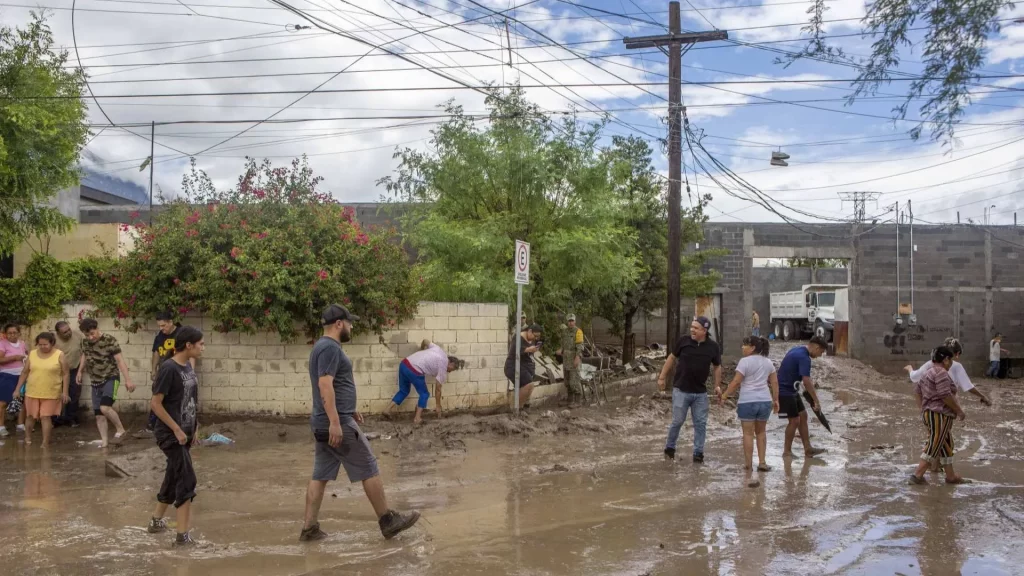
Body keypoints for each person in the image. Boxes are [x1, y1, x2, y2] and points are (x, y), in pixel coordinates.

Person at [300, 304, 420, 542]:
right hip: (335, 423)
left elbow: (332, 386)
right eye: (349, 322)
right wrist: (336, 420)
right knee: (368, 465)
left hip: (327, 419)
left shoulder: (320, 347)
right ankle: (387, 520)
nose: (351, 326)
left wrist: (347, 409)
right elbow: (325, 384)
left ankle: (309, 529)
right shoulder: (330, 348)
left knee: (320, 474)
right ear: (338, 324)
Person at [148, 326, 204, 546]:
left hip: (185, 433)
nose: (203, 348)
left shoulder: (188, 367)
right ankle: (182, 536)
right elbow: (155, 403)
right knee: (187, 479)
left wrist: (194, 427)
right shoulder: (169, 368)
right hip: (170, 434)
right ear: (188, 345)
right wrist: (177, 429)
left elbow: (191, 400)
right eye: (200, 344)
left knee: (173, 475)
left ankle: (156, 521)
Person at [658, 317, 722, 464]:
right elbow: (671, 358)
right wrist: (662, 377)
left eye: (696, 328)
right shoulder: (684, 341)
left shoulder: (713, 347)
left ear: (704, 331)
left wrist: (717, 385)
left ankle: (698, 454)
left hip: (700, 393)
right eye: (692, 327)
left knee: (700, 424)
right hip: (681, 390)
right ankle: (669, 449)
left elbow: (717, 366)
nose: (692, 330)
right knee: (677, 421)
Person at [719, 336, 778, 487]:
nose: (742, 348)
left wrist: (725, 395)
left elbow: (737, 382)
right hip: (765, 401)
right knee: (761, 432)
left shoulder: (744, 362)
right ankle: (763, 462)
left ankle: (748, 465)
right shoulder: (768, 362)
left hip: (748, 401)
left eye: (745, 345)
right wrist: (776, 400)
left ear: (752, 348)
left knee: (747, 434)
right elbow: (774, 382)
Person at [909, 346, 970, 485]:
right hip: (939, 415)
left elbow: (917, 391)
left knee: (946, 444)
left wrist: (923, 409)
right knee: (935, 443)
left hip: (932, 414)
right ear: (946, 359)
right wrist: (959, 410)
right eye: (951, 360)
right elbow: (945, 395)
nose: (951, 364)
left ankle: (951, 477)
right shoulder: (941, 372)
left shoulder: (927, 372)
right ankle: (917, 475)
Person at [78, 318, 135, 447]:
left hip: (111, 377)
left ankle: (120, 429)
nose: (91, 337)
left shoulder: (110, 340)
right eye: (87, 335)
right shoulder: (84, 342)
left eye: (93, 333)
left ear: (97, 329)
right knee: (98, 415)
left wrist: (128, 380)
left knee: (105, 408)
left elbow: (120, 360)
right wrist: (80, 371)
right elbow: (84, 355)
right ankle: (104, 442)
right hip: (95, 381)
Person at [776, 335, 828, 458]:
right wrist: (816, 400)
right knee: (794, 421)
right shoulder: (805, 358)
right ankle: (786, 452)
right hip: (785, 391)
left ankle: (808, 448)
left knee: (803, 415)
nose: (820, 355)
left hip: (791, 389)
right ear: (816, 347)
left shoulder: (797, 349)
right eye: (821, 352)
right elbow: (806, 380)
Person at [386, 340, 462, 424]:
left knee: (404, 391)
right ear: (451, 364)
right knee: (424, 394)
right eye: (452, 369)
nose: (450, 372)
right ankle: (417, 418)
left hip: (404, 364)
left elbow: (425, 341)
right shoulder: (443, 366)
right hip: (415, 369)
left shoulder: (438, 349)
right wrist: (438, 405)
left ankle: (387, 410)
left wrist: (422, 349)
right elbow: (438, 389)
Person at [15, 333, 70, 446]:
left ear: (52, 343)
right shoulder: (32, 354)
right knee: (30, 416)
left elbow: (66, 374)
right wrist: (17, 389)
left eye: (45, 344)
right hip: (32, 391)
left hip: (51, 392)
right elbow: (25, 372)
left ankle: (45, 442)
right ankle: (28, 438)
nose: (42, 347)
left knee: (45, 417)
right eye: (40, 345)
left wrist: (65, 392)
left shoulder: (59, 355)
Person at [905, 337, 991, 406]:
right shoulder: (957, 366)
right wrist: (983, 396)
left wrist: (910, 369)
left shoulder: (930, 364)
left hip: (930, 406)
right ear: (957, 354)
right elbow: (968, 386)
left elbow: (914, 378)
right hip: (948, 406)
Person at [150, 312, 196, 432]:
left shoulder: (181, 334)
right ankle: (154, 425)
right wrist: (153, 370)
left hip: (179, 372)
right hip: (164, 372)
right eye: (159, 326)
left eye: (163, 325)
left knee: (179, 399)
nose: (161, 328)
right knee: (158, 398)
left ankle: (181, 425)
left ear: (171, 322)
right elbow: (156, 353)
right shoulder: (160, 336)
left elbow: (190, 352)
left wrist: (191, 370)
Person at [504, 323, 543, 411]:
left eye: (537, 337)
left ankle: (522, 408)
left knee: (527, 386)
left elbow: (529, 356)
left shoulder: (531, 339)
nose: (535, 339)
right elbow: (514, 350)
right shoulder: (518, 338)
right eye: (535, 336)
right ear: (529, 331)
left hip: (524, 367)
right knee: (529, 385)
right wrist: (528, 349)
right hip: (513, 366)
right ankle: (516, 408)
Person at [53, 321, 84, 428]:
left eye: (69, 330)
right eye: (65, 332)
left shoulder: (77, 335)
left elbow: (84, 352)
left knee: (74, 394)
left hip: (74, 370)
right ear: (58, 333)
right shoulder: (53, 340)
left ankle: (71, 418)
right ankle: (55, 419)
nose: (68, 333)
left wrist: (81, 369)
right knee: (56, 395)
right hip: (58, 372)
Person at [0, 324, 28, 438]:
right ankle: (1, 427)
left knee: (22, 400)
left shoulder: (22, 344)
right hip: (7, 375)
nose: (12, 335)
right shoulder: (2, 344)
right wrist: (14, 357)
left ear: (19, 333)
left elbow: (27, 356)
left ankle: (20, 425)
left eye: (14, 332)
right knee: (3, 402)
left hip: (21, 375)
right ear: (6, 334)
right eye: (10, 333)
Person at [559, 314, 584, 406]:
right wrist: (561, 350)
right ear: (567, 322)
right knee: (567, 381)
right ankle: (570, 400)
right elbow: (563, 344)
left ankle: (578, 401)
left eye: (572, 321)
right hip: (566, 360)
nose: (571, 322)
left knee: (574, 381)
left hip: (574, 359)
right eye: (569, 321)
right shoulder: (565, 331)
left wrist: (577, 358)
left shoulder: (578, 332)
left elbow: (580, 347)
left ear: (575, 321)